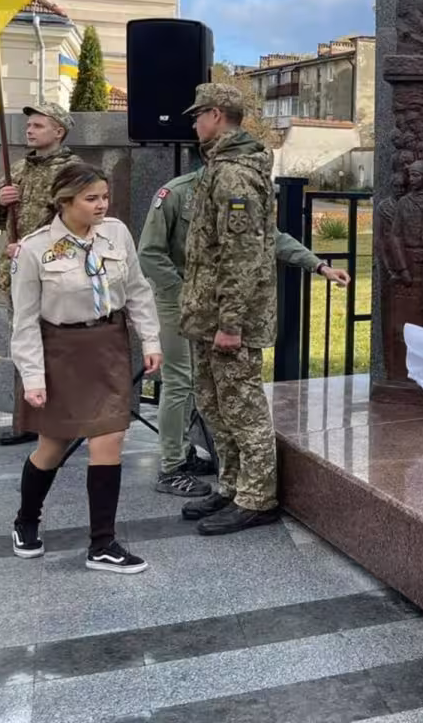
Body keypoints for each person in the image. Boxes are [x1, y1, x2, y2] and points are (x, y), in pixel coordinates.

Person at [138, 168, 350, 498]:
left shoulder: (243, 193)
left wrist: (318, 265)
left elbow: (271, 238)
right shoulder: (176, 193)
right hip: (177, 297)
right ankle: (172, 467)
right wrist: (186, 293)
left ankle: (185, 450)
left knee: (202, 382)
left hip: (218, 302)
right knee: (179, 380)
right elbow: (150, 253)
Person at [8, 162, 161, 573]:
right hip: (61, 352)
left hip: (108, 346)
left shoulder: (116, 233)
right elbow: (24, 321)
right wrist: (33, 378)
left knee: (109, 440)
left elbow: (137, 290)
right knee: (52, 446)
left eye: (105, 197)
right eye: (91, 198)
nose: (101, 205)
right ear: (65, 201)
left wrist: (150, 340)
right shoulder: (34, 249)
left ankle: (102, 544)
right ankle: (26, 520)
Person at [175, 84, 282, 536]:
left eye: (197, 115)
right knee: (214, 405)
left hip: (229, 321)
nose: (194, 124)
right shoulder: (218, 167)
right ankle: (232, 486)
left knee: (242, 407)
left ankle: (258, 498)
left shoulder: (235, 175)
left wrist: (231, 323)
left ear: (217, 115)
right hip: (208, 316)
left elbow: (241, 255)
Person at [0, 102, 82, 446]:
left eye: (38, 125)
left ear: (59, 131)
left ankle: (63, 421)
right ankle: (26, 420)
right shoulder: (19, 168)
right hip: (17, 275)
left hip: (56, 277)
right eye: (29, 125)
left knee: (58, 348)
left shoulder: (73, 171)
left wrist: (31, 251)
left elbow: (79, 227)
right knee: (24, 344)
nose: (30, 130)